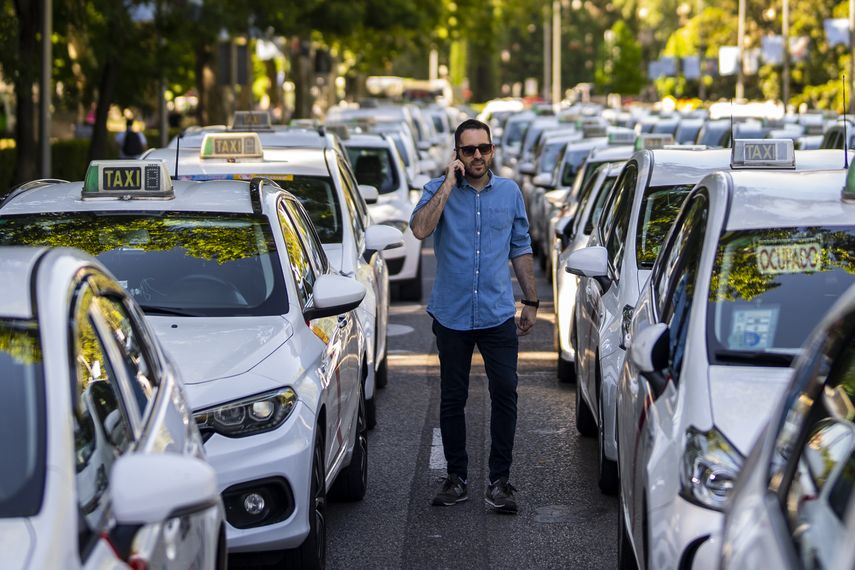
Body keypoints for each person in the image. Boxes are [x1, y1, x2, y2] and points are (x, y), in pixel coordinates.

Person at [410, 118, 538, 514]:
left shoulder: (510, 192)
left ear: (492, 150)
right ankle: (456, 477)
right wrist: (449, 184)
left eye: (483, 148)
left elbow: (521, 246)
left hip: (497, 313)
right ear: (457, 155)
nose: (477, 156)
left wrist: (531, 300)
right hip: (453, 314)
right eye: (469, 150)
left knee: (506, 394)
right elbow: (420, 230)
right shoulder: (437, 189)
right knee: (453, 398)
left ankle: (500, 481)